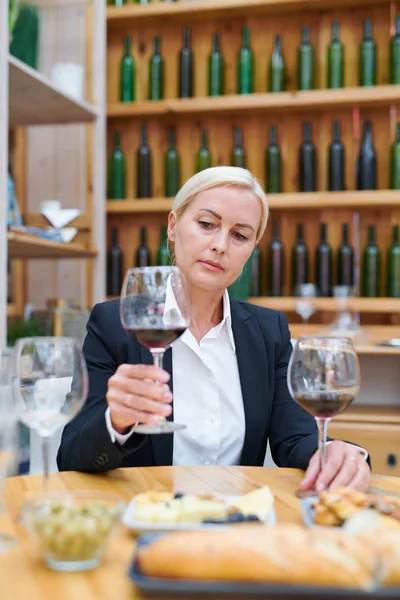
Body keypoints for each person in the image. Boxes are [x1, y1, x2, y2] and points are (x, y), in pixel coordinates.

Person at [57, 166, 370, 492]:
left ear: (251, 249)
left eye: (240, 235)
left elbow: (296, 438)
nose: (221, 245)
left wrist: (334, 451)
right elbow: (70, 457)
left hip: (236, 524)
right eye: (207, 224)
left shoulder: (268, 331)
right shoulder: (114, 324)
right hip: (144, 524)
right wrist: (116, 421)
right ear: (174, 226)